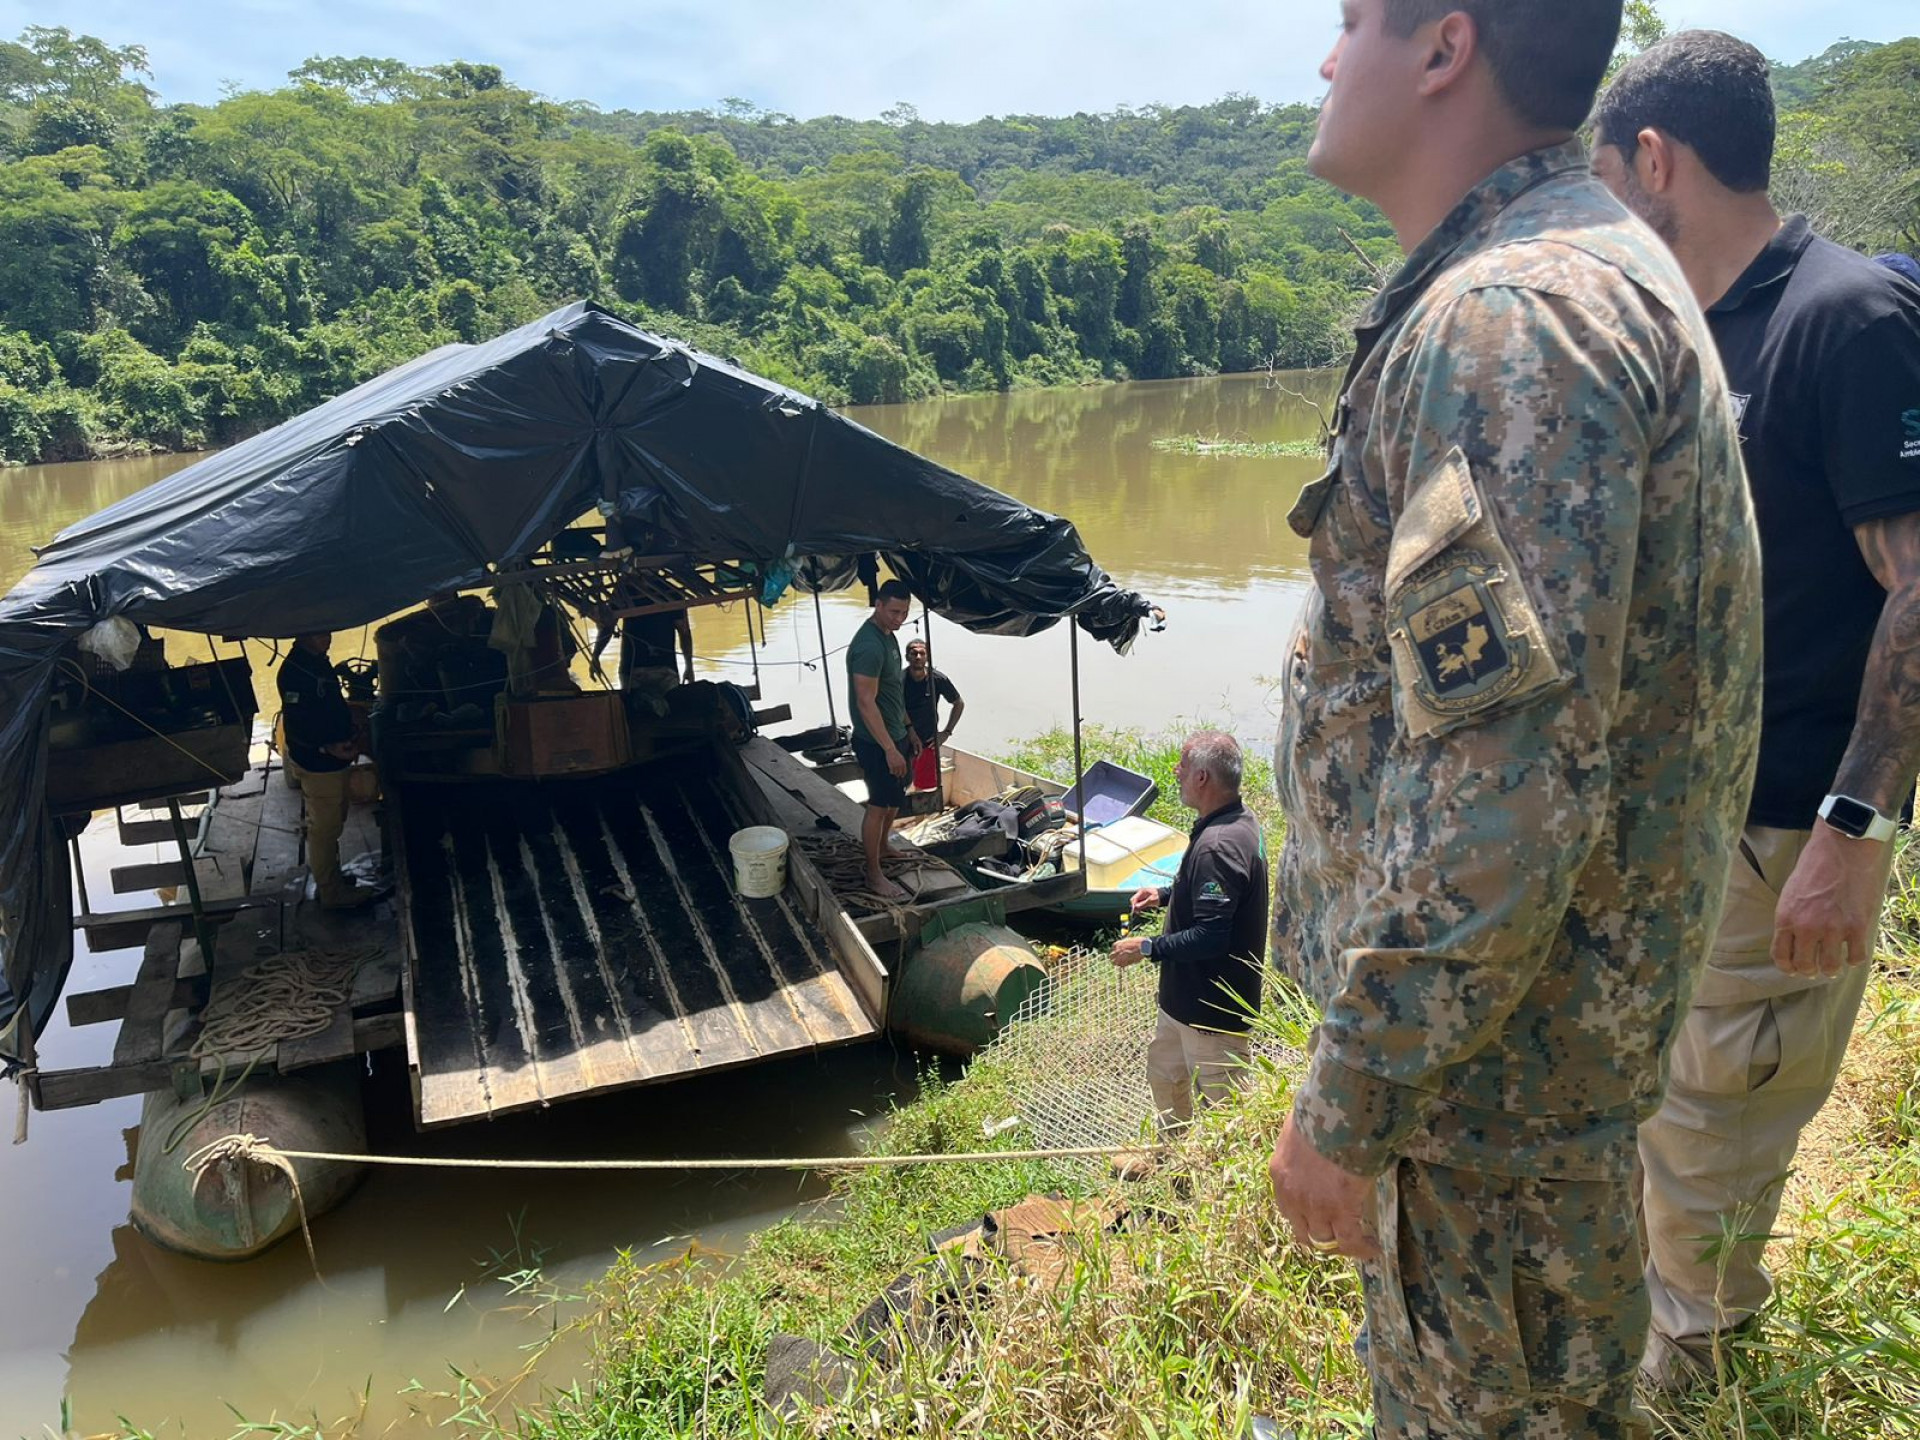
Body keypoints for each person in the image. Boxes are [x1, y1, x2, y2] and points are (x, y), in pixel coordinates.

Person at [1265, 4, 1761, 1437]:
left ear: (1443, 51)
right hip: (1522, 1096)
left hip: (1496, 1118)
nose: (1322, 58)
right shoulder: (1577, 269)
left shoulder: (1507, 321)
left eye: (1352, 20)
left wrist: (1350, 1096)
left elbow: (1501, 792)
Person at [1592, 32, 1920, 1390]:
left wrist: (1853, 828)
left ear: (1657, 162)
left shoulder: (1846, 319)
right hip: (1679, 823)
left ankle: (1704, 1383)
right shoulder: (1693, 327)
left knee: (1723, 1125)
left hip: (1787, 819)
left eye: (1607, 185)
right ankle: (1657, 1342)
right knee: (1663, 1116)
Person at [1110, 731, 1267, 1137]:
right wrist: (1164, 895)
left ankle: (1217, 1193)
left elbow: (1212, 936)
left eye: (1182, 765)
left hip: (1211, 1015)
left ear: (1201, 777)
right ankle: (1174, 1163)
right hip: (1181, 1005)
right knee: (1167, 1080)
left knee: (1226, 1120)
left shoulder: (1219, 845)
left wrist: (1146, 947)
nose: (1175, 772)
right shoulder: (1234, 821)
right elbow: (1209, 893)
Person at [278, 633, 382, 910]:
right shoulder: (293, 672)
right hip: (317, 762)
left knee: (335, 820)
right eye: (321, 634)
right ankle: (331, 894)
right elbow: (298, 724)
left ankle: (333, 877)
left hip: (335, 759)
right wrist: (326, 748)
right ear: (303, 636)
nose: (329, 638)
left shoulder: (317, 662)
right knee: (324, 829)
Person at [846, 579, 916, 900]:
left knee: (893, 799)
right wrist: (890, 749)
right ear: (878, 605)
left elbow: (892, 692)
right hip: (876, 743)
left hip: (897, 734)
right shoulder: (870, 646)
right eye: (893, 611)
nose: (899, 619)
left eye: (904, 612)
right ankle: (873, 874)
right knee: (877, 806)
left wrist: (909, 730)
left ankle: (885, 847)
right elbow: (865, 701)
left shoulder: (889, 637)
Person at [902, 638, 963, 791]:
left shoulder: (938, 679)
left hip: (928, 739)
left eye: (922, 653)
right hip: (902, 739)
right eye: (914, 653)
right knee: (900, 782)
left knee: (923, 787)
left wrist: (946, 732)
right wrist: (910, 732)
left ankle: (920, 816)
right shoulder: (899, 680)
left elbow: (958, 703)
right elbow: (895, 708)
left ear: (927, 657)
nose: (918, 657)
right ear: (907, 657)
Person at [619, 608, 695, 716]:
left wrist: (596, 655)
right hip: (665, 670)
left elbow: (607, 623)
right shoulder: (672, 593)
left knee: (636, 717)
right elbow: (684, 631)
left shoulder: (624, 592)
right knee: (670, 716)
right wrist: (689, 666)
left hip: (632, 670)